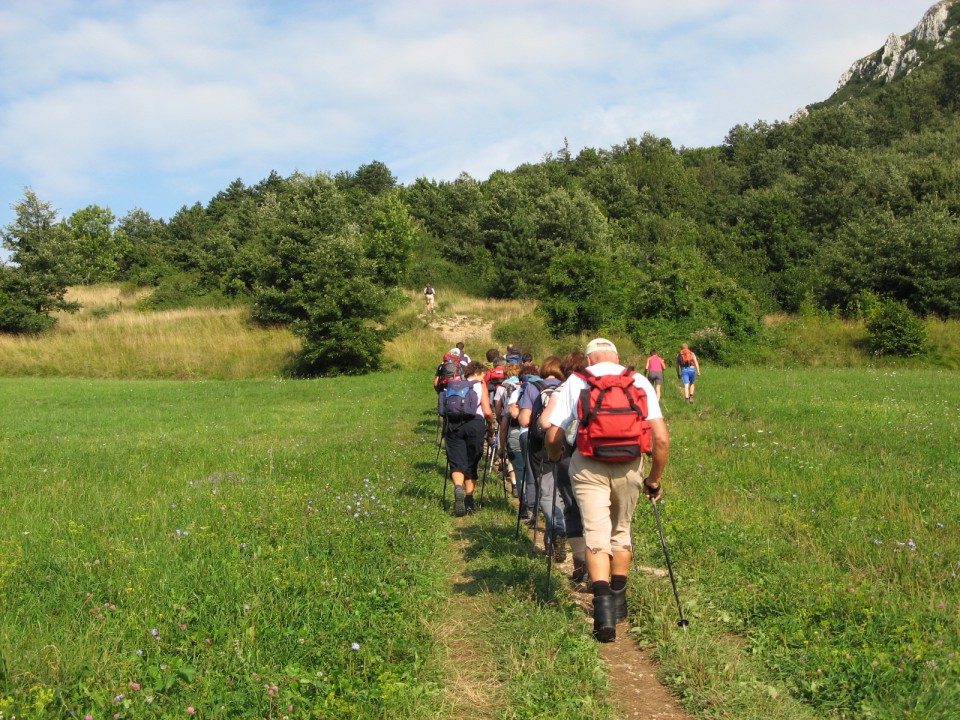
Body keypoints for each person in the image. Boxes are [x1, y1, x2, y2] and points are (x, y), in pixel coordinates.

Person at [545, 338, 669, 642]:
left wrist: (554, 455)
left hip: (589, 464)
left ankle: (602, 612)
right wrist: (654, 478)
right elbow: (662, 439)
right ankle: (619, 599)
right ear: (616, 357)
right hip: (629, 464)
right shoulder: (637, 380)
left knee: (596, 534)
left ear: (588, 361)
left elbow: (553, 432)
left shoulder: (578, 381)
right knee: (621, 530)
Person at [518, 356, 566, 561]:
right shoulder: (567, 387)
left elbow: (525, 420)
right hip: (565, 443)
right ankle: (557, 534)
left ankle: (556, 528)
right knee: (562, 492)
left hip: (540, 445)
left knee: (546, 492)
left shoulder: (532, 386)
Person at [442, 361, 494, 516]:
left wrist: (445, 429)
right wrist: (491, 425)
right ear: (478, 373)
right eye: (484, 374)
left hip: (453, 424)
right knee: (472, 460)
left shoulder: (454, 384)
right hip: (474, 424)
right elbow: (486, 410)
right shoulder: (480, 385)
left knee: (456, 461)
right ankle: (469, 500)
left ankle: (458, 487)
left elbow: (446, 408)